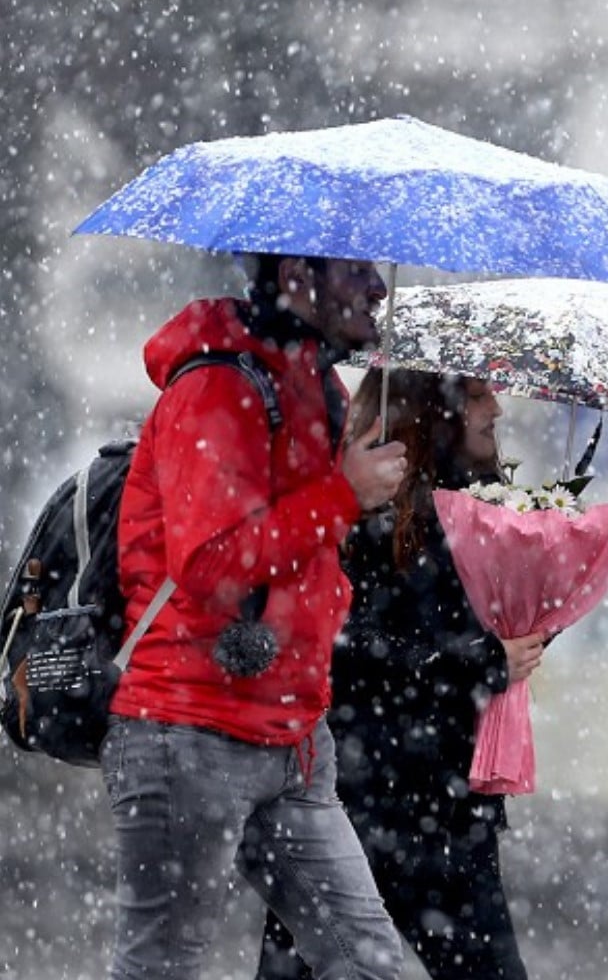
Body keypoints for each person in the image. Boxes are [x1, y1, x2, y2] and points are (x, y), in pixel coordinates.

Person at [105, 254, 411, 979]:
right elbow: (209, 563)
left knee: (369, 964)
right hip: (189, 729)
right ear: (297, 274)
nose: (377, 287)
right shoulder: (216, 386)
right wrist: (342, 495)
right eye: (354, 270)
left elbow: (303, 555)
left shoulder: (316, 387)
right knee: (162, 969)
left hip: (293, 737)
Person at [257, 369, 547, 980]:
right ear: (432, 409)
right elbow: (347, 648)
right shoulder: (359, 509)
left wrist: (535, 621)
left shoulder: (486, 508)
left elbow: (475, 638)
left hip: (447, 805)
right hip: (355, 798)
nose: (496, 410)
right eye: (477, 396)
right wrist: (479, 661)